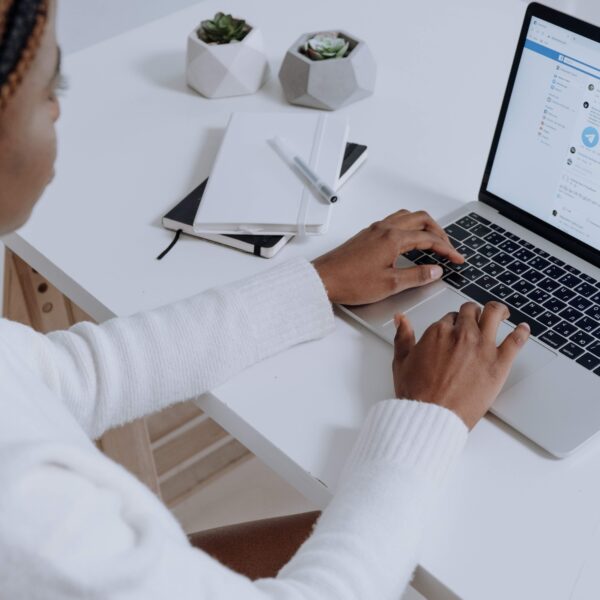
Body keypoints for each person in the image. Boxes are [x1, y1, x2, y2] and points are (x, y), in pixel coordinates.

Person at [0, 1, 531, 599]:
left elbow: (80, 373)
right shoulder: (34, 521)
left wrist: (319, 281)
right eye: (51, 88)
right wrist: (431, 415)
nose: (59, 110)